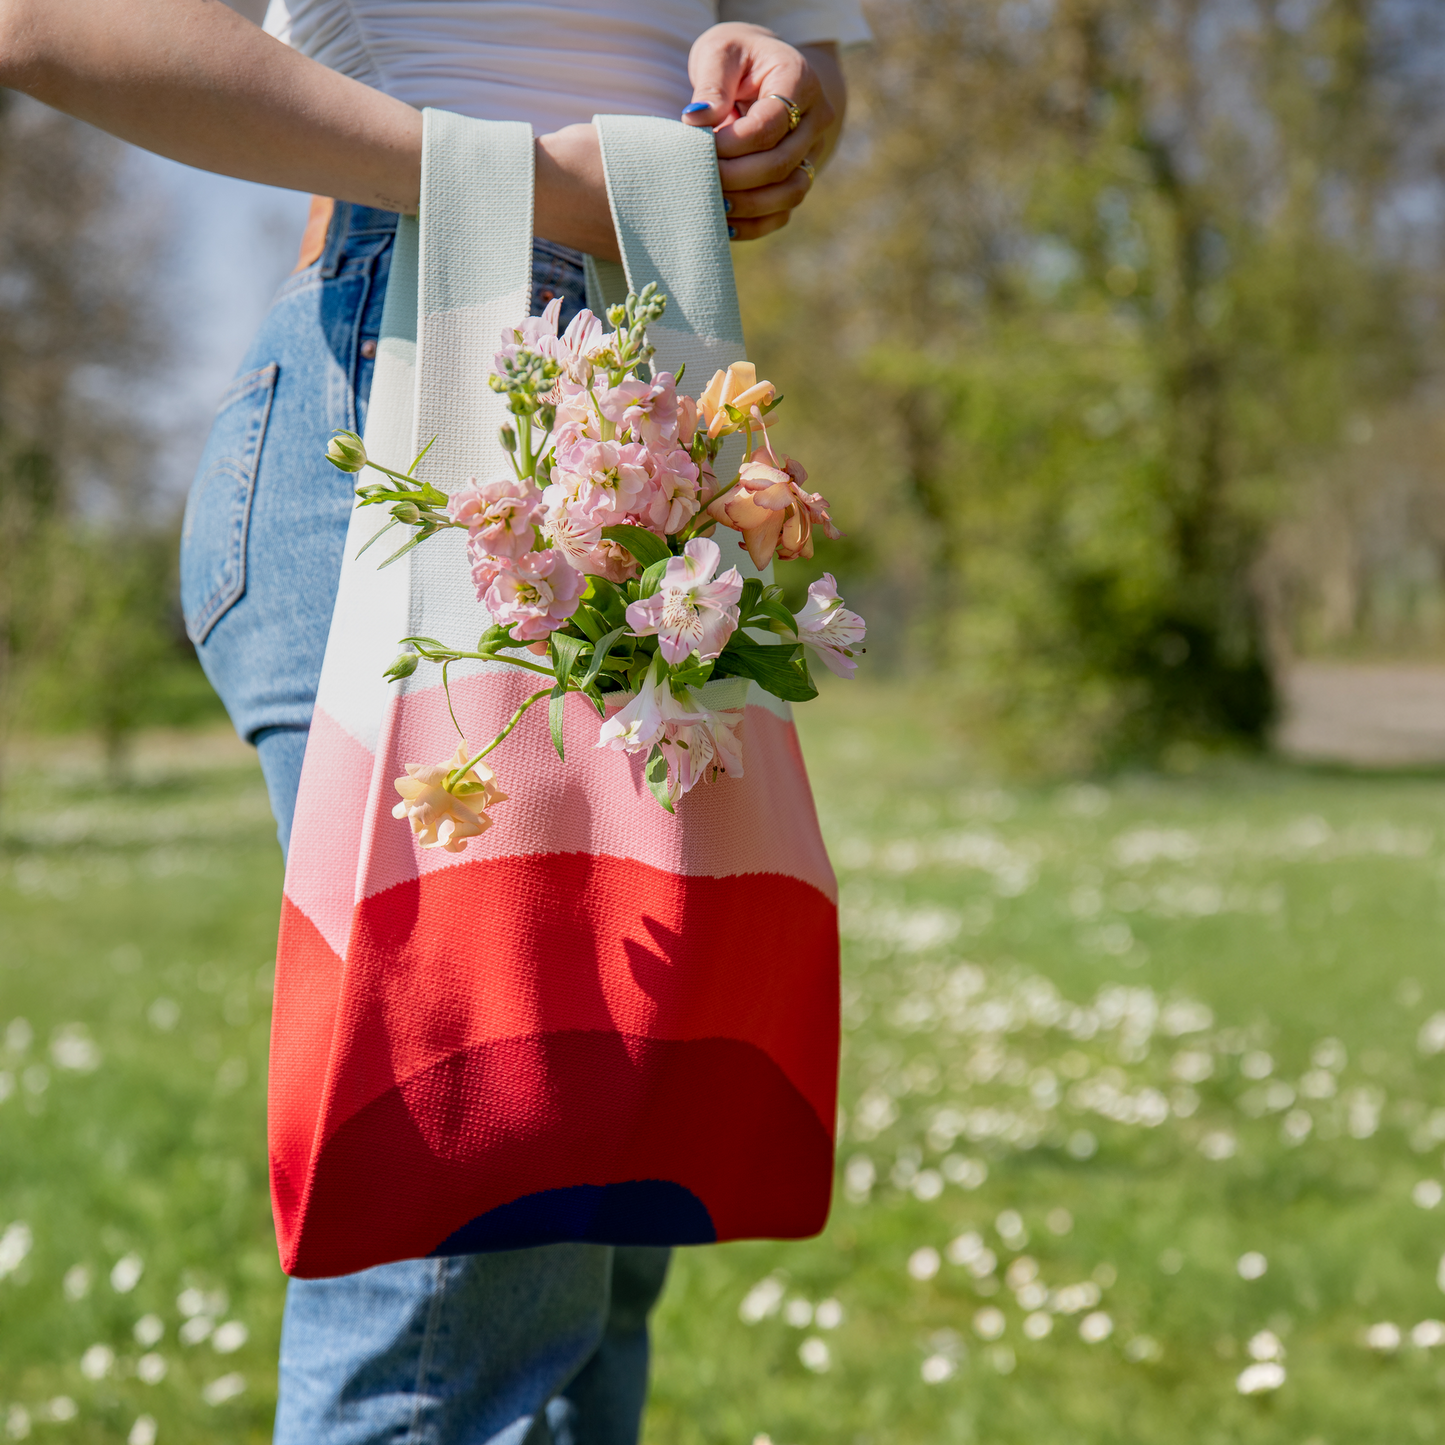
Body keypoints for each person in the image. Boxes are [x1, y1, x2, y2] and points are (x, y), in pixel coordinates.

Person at [0, 0, 865, 1439]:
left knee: (592, 1247)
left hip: (646, 384)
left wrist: (789, 99)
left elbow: (803, 50)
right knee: (475, 1244)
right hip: (399, 380)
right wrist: (534, 185)